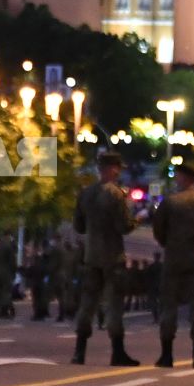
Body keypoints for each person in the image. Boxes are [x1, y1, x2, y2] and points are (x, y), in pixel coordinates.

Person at [72, 149, 137, 366]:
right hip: (112, 256)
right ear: (112, 169)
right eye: (117, 168)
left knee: (87, 303)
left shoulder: (86, 193)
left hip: (91, 256)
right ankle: (117, 352)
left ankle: (79, 351)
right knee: (114, 304)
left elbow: (78, 226)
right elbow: (124, 226)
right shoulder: (116, 194)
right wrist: (138, 219)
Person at [150, 160, 194, 369]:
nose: (176, 179)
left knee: (169, 305)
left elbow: (158, 229)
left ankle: (167, 355)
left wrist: (169, 244)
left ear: (184, 177)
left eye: (178, 175)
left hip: (174, 258)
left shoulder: (170, 202)